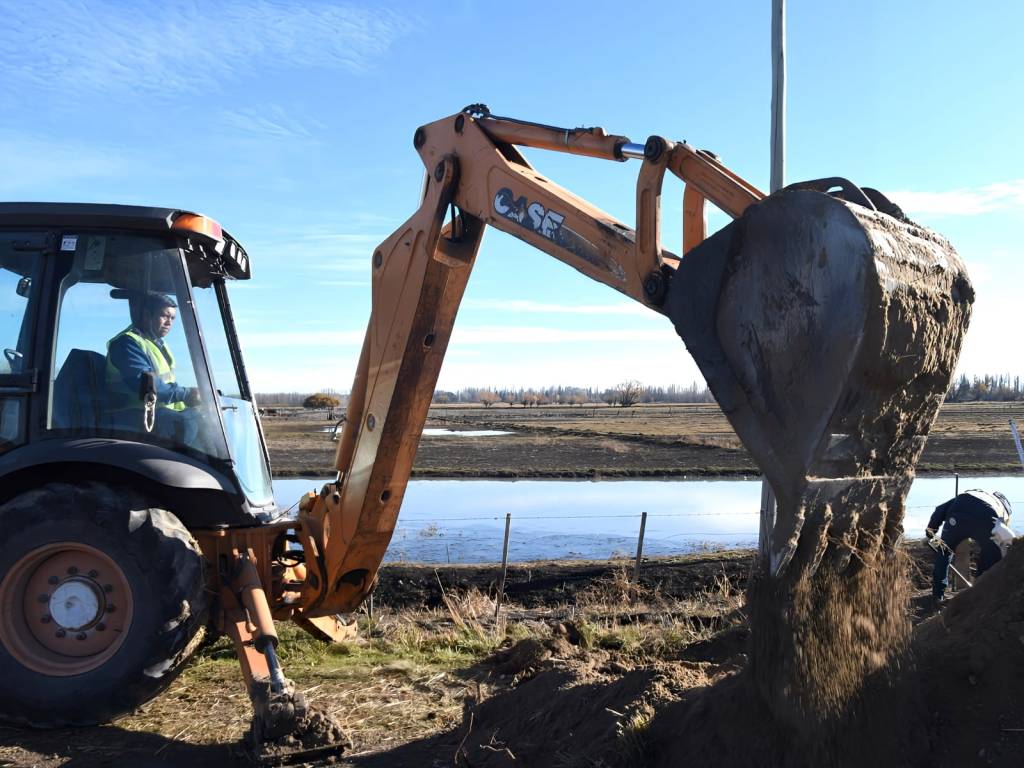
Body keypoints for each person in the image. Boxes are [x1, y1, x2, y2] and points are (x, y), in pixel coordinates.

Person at [105, 292, 199, 438]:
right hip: (132, 419)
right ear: (147, 315)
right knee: (187, 423)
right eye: (165, 316)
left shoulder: (158, 345)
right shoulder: (127, 343)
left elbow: (165, 383)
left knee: (204, 418)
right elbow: (144, 384)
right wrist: (186, 394)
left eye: (172, 318)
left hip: (157, 415)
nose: (169, 322)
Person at [927, 489, 1013, 601]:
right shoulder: (1002, 510)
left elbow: (939, 510)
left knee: (943, 553)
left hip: (956, 519)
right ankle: (979, 593)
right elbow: (1003, 537)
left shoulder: (970, 494)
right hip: (984, 519)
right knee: (991, 555)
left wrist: (930, 534)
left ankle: (938, 595)